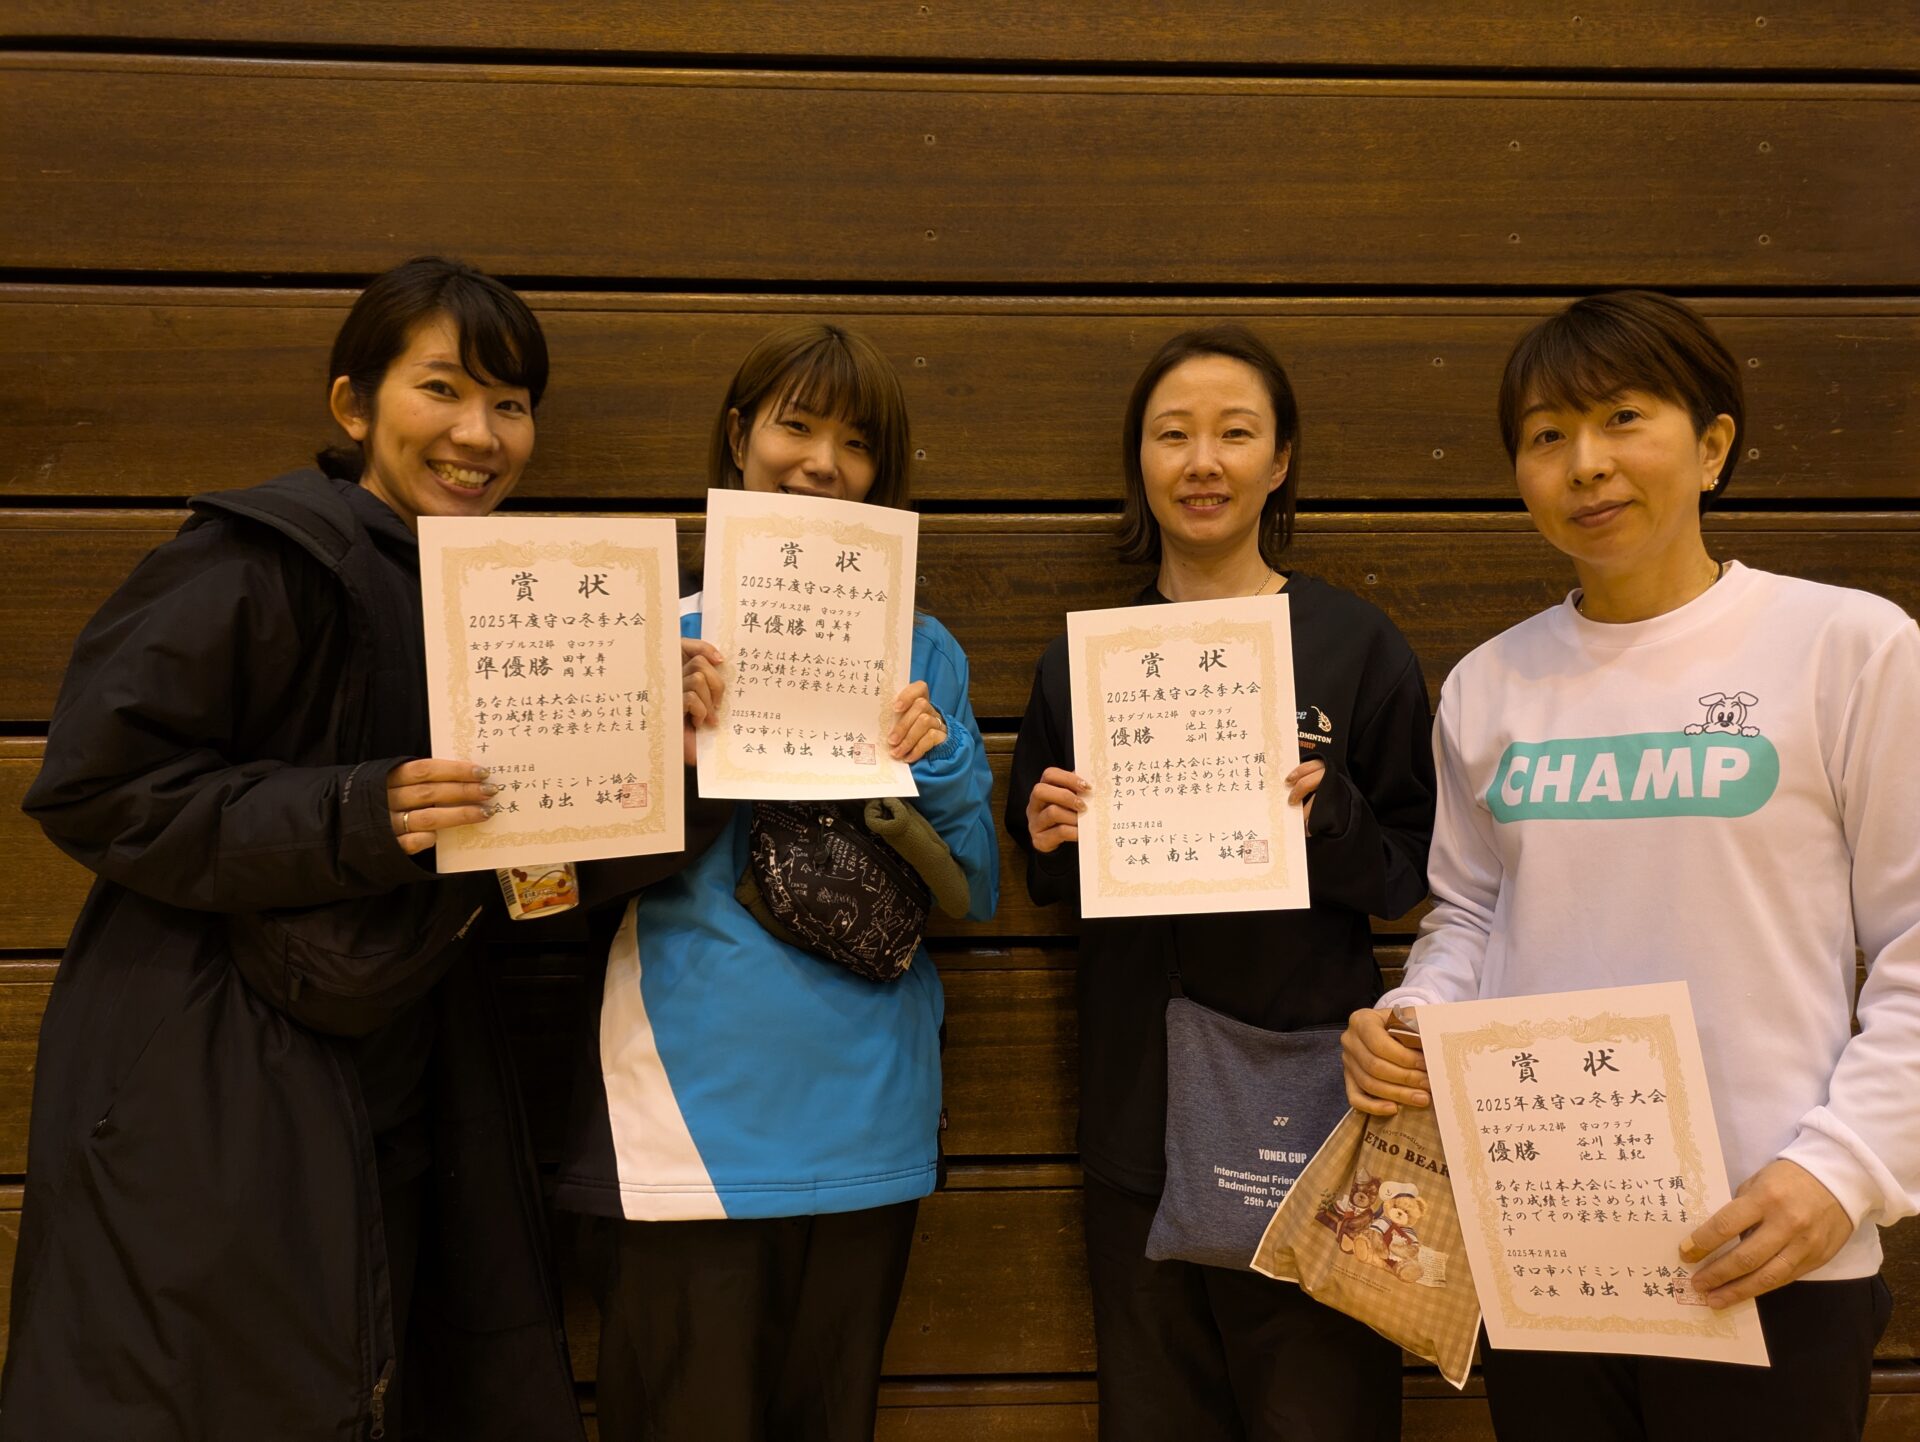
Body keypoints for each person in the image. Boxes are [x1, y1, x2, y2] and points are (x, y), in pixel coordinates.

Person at [2, 257, 587, 1442]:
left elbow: (536, 867)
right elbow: (97, 785)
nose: (480, 434)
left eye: (511, 403)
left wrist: (658, 752)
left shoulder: (508, 599)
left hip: (406, 1076)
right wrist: (356, 813)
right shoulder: (260, 556)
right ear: (352, 405)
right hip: (213, 1075)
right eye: (442, 388)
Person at [1342, 291, 1917, 1441]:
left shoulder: (1848, 647)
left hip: (1771, 1237)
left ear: (1712, 445)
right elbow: (1470, 914)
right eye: (1547, 435)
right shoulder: (1491, 684)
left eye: (1622, 419)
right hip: (1550, 1243)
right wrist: (1412, 1019)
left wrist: (1844, 1169)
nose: (1586, 464)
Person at [554, 322, 1000, 1442]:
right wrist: (659, 742)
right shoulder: (646, 628)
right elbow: (538, 878)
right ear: (739, 434)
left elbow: (977, 890)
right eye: (796, 426)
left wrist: (941, 758)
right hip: (687, 1120)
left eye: (856, 442)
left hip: (872, 1115)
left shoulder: (925, 648)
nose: (822, 464)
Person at [1007, 325, 1434, 1442]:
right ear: (1140, 462)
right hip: (1138, 1110)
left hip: (1309, 1110)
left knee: (1322, 1411)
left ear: (1280, 460)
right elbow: (1047, 871)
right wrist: (1049, 832)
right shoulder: (1084, 659)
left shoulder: (1355, 642)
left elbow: (1408, 872)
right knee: (1157, 1409)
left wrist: (1329, 812)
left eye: (1235, 434)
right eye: (1173, 435)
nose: (1204, 462)